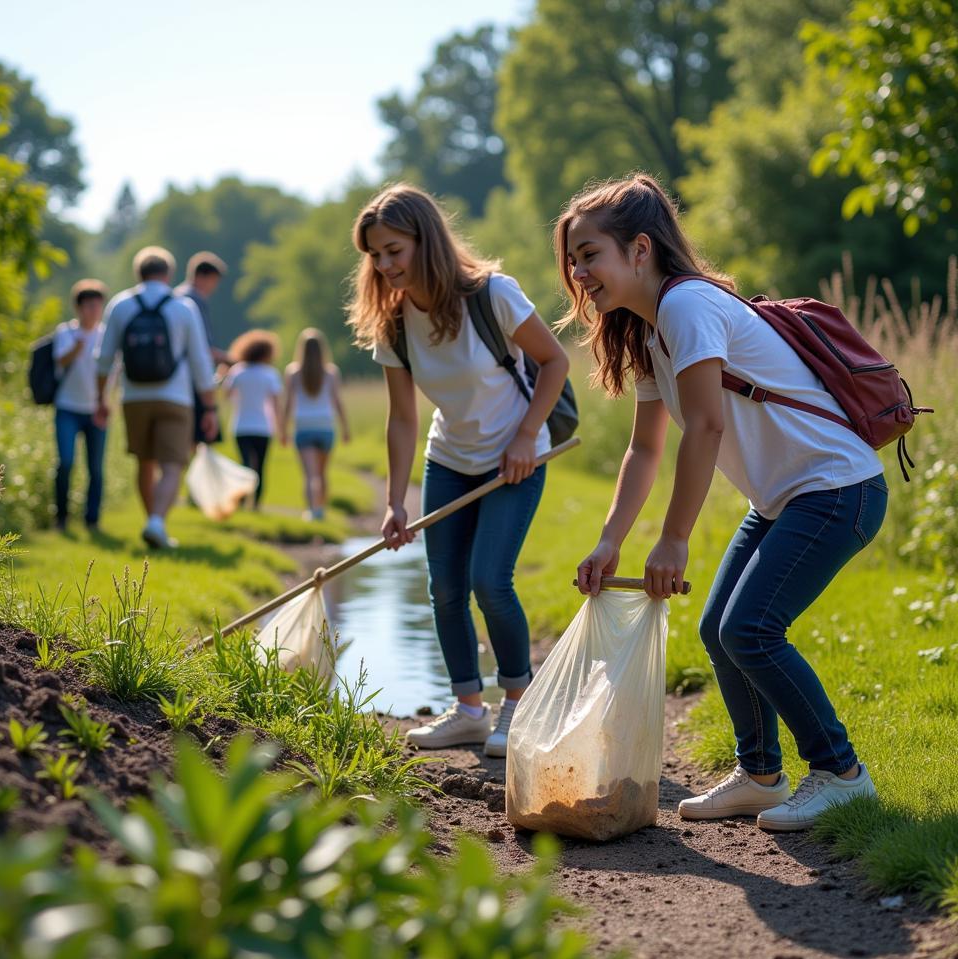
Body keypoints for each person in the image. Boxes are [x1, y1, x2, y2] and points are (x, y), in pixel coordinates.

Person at [563, 174, 885, 831]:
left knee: (751, 629)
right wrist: (609, 539)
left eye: (590, 253)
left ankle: (843, 773)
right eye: (572, 258)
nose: (578, 271)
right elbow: (644, 451)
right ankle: (761, 775)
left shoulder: (686, 307)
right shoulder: (651, 332)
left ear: (640, 250)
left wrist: (674, 539)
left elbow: (705, 426)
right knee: (719, 629)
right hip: (786, 498)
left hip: (836, 486)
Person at [348, 183, 569, 757]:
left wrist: (525, 436)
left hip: (514, 457)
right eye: (375, 254)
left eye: (394, 249)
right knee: (444, 589)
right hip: (449, 458)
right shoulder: (394, 322)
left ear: (427, 241)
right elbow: (401, 418)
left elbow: (554, 360)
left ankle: (518, 706)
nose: (385, 264)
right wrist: (396, 502)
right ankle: (469, 710)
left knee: (489, 581)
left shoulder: (491, 294)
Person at [95, 246, 217, 549]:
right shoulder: (183, 306)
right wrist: (210, 407)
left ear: (138, 272)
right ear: (169, 274)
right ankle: (157, 523)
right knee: (173, 464)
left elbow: (104, 359)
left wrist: (101, 398)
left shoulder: (120, 305)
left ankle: (154, 525)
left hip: (134, 396)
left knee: (144, 461)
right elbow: (201, 361)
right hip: (175, 397)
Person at [52, 279, 108, 531]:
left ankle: (92, 519)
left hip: (96, 409)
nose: (93, 310)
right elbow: (61, 361)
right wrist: (78, 345)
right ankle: (61, 517)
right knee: (65, 462)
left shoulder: (107, 335)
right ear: (78, 307)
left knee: (95, 468)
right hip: (67, 408)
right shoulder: (65, 332)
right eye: (88, 305)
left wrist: (107, 402)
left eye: (97, 305)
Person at [280, 329, 350, 521]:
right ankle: (321, 510)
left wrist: (283, 430)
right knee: (322, 473)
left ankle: (312, 510)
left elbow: (287, 404)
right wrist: (345, 428)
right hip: (326, 426)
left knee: (310, 475)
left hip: (303, 426)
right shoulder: (331, 372)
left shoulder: (293, 372)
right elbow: (338, 402)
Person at [223, 329, 284, 509]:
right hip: (263, 427)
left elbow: (226, 396)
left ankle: (242, 500)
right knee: (260, 468)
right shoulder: (270, 374)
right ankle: (255, 504)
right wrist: (282, 429)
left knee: (244, 465)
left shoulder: (238, 372)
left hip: (241, 426)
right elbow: (275, 405)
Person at [175, 250, 230, 445]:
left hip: (172, 381)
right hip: (192, 383)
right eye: (214, 281)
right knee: (196, 443)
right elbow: (202, 349)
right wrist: (229, 359)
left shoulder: (175, 296)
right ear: (203, 276)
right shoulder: (194, 301)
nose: (213, 288)